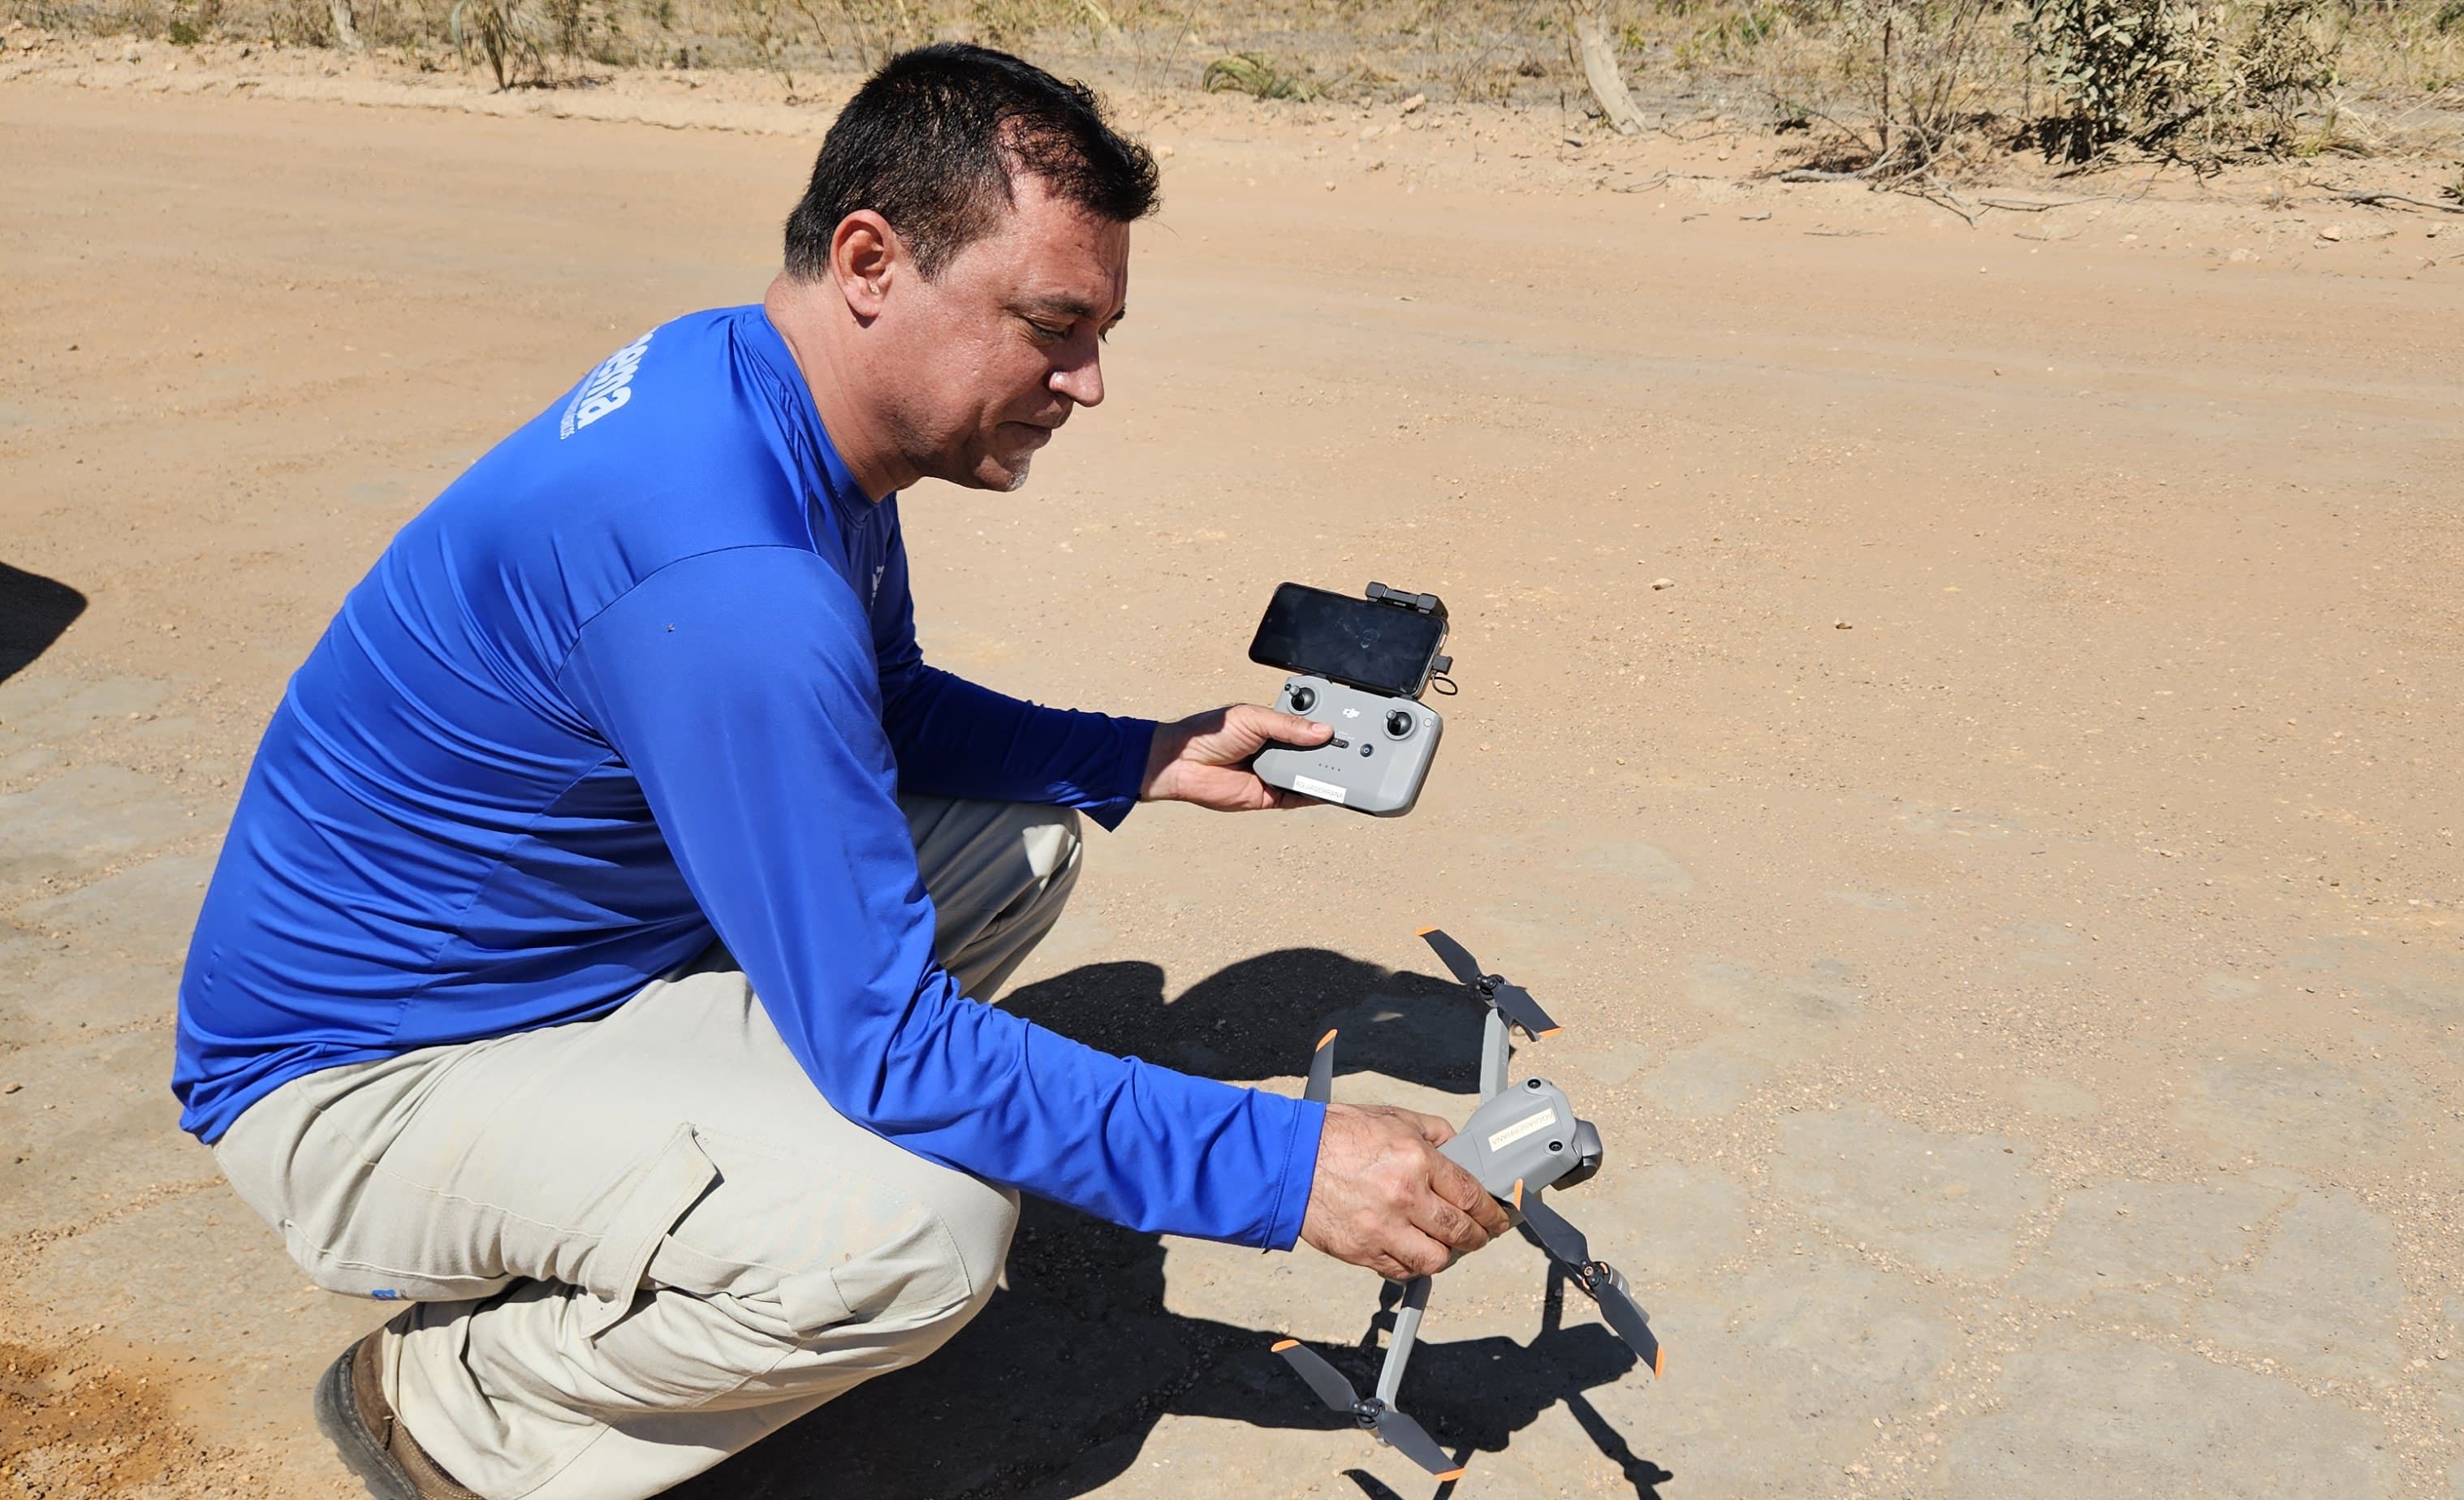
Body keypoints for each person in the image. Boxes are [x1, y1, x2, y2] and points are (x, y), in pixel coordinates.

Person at [172, 43, 1508, 1500]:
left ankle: (696, 1182)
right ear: (872, 261)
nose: (1087, 382)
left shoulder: (753, 385)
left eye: (1101, 330)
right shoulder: (729, 571)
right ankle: (458, 1407)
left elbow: (884, 704)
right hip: (361, 1079)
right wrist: (1288, 1167)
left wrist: (1139, 758)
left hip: (558, 960)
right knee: (917, 1233)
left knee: (1025, 838)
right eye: (1052, 326)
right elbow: (891, 1045)